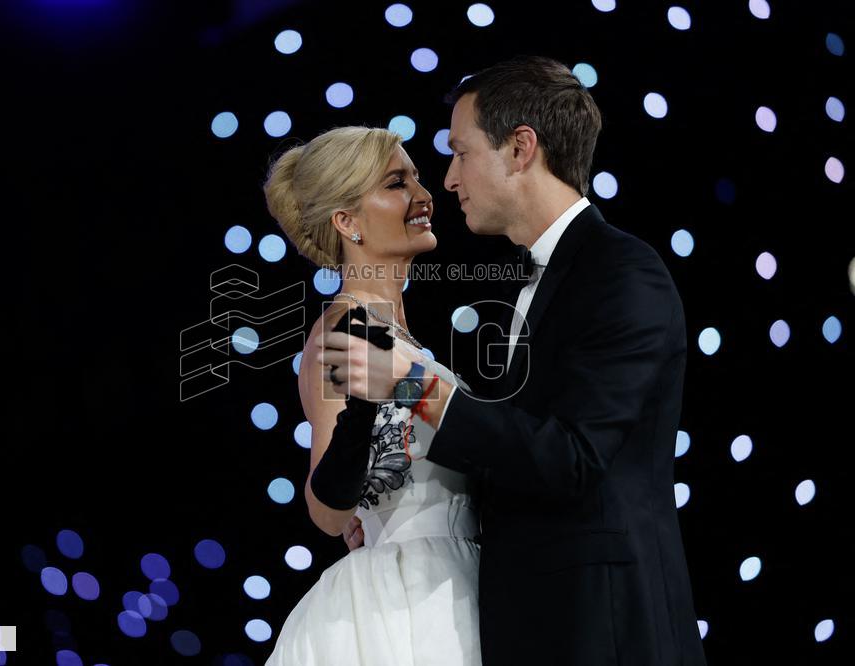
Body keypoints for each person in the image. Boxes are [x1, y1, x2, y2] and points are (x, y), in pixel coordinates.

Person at [322, 57, 708, 665]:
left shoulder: (621, 272)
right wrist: (391, 502)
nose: (449, 180)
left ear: (521, 149)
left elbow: (573, 458)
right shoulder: (523, 286)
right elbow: (516, 451)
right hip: (520, 620)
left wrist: (415, 387)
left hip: (604, 629)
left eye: (461, 153)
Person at [263, 126, 483, 665]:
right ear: (347, 222)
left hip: (453, 579)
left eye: (417, 178)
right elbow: (326, 510)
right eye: (396, 183)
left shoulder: (392, 333)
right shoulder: (347, 331)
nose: (424, 195)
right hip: (409, 603)